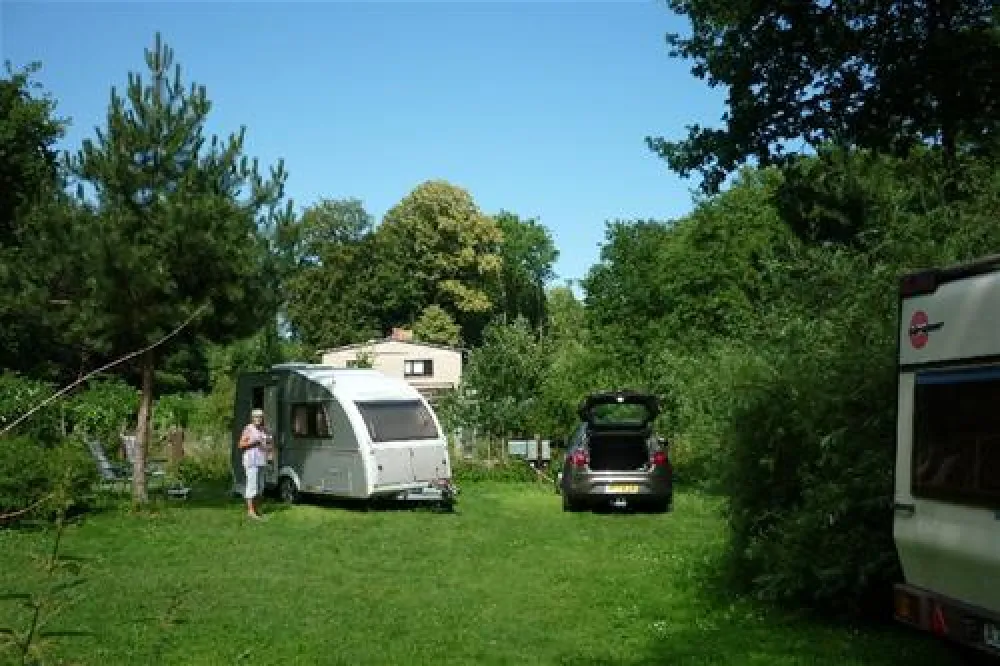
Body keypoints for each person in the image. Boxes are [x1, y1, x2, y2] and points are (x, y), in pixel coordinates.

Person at [239, 408, 271, 520]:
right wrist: (253, 443)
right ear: (252, 418)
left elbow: (267, 444)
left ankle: (257, 510)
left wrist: (269, 450)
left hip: (261, 461)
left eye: (261, 417)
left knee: (260, 487)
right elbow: (241, 445)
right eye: (256, 416)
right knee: (252, 486)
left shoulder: (263, 430)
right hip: (251, 462)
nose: (259, 418)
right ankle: (251, 511)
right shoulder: (248, 429)